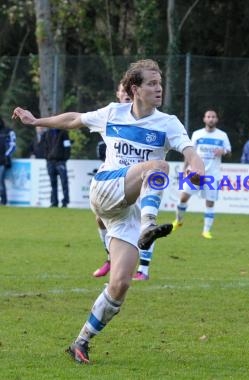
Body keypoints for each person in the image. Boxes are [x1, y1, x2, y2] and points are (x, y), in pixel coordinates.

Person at [12, 58, 205, 364]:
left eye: (160, 83)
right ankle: (149, 226)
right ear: (134, 89)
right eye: (151, 84)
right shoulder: (113, 113)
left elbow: (191, 152)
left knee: (121, 282)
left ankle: (81, 341)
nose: (159, 89)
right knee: (158, 166)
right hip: (105, 188)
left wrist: (197, 168)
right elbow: (75, 119)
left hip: (125, 211)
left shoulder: (168, 123)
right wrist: (37, 122)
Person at [92, 82, 134, 279]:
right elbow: (76, 119)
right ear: (117, 93)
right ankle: (110, 258)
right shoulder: (109, 114)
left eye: (129, 89)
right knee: (100, 218)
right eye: (122, 89)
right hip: (112, 182)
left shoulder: (151, 118)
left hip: (138, 180)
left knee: (141, 222)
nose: (126, 92)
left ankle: (143, 268)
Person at [173, 109, 231, 239]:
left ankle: (206, 231)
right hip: (194, 173)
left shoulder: (222, 136)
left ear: (216, 119)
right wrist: (184, 169)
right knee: (182, 198)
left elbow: (229, 151)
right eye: (208, 116)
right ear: (204, 119)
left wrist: (224, 151)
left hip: (212, 175)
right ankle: (178, 221)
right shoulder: (197, 134)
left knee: (210, 203)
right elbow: (190, 153)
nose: (211, 119)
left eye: (213, 117)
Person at [44, 128, 71, 207]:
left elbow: (67, 146)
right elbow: (45, 146)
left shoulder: (64, 133)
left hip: (60, 161)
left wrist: (64, 159)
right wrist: (47, 157)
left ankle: (65, 202)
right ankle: (54, 202)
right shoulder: (48, 133)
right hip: (50, 161)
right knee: (53, 183)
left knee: (64, 182)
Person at [0, 117, 17, 205]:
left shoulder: (8, 131)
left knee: (0, 181)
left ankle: (3, 201)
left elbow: (13, 145)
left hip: (3, 161)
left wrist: (6, 155)